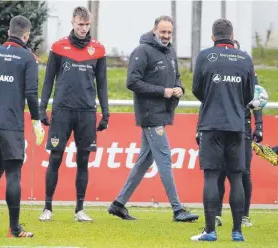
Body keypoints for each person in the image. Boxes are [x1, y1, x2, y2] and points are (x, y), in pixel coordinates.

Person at [107, 15, 198, 222]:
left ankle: (118, 204)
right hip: (149, 113)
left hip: (163, 112)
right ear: (154, 30)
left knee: (145, 160)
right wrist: (163, 91)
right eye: (163, 31)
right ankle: (177, 209)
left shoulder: (170, 51)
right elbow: (132, 82)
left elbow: (176, 77)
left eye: (169, 32)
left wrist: (179, 88)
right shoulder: (141, 51)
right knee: (164, 157)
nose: (166, 36)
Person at [0, 15, 43, 238]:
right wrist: (36, 120)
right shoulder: (27, 58)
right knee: (13, 173)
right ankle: (14, 228)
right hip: (10, 124)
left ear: (8, 31)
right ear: (27, 35)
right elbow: (31, 94)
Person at [38, 6, 109, 222]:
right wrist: (42, 108)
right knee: (55, 157)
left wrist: (105, 113)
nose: (83, 29)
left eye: (87, 25)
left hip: (87, 112)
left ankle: (79, 210)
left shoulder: (98, 49)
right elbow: (49, 79)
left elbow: (103, 84)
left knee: (83, 160)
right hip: (62, 110)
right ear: (73, 22)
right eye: (80, 24)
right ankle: (47, 208)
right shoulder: (58, 47)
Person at [190, 19, 255, 242]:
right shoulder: (244, 58)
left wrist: (212, 99)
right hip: (237, 125)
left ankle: (210, 231)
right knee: (236, 177)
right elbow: (249, 95)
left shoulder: (205, 56)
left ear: (212, 37)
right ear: (232, 35)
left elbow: (196, 89)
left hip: (210, 124)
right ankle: (237, 232)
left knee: (211, 176)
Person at [208, 40, 263, 228]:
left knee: (243, 173)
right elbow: (206, 99)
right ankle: (216, 214)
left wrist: (260, 124)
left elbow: (256, 97)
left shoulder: (246, 68)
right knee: (221, 172)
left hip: (243, 125)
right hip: (223, 124)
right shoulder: (218, 70)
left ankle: (244, 216)